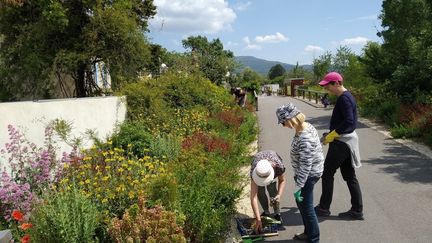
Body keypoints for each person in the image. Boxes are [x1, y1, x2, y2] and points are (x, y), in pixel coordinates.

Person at [314, 71, 364, 220]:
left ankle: (323, 208)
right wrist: (331, 134)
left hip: (342, 142)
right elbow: (347, 121)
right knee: (349, 176)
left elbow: (349, 122)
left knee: (327, 173)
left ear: (337, 83)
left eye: (328, 86)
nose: (326, 89)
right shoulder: (346, 97)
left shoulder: (344, 99)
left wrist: (332, 135)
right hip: (347, 141)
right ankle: (357, 210)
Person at [276, 103, 324, 243]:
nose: (283, 125)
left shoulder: (305, 138)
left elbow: (305, 166)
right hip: (309, 172)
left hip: (308, 175)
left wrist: (298, 187)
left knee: (307, 208)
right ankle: (308, 233)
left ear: (290, 119)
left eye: (283, 122)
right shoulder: (305, 126)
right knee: (302, 205)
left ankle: (314, 239)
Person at [250, 150, 286, 233]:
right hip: (258, 163)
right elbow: (253, 198)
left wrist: (279, 195)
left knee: (272, 188)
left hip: (272, 165)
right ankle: (266, 212)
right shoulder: (254, 171)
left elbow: (282, 180)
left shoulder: (278, 166)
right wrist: (258, 219)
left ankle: (277, 213)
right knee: (260, 191)